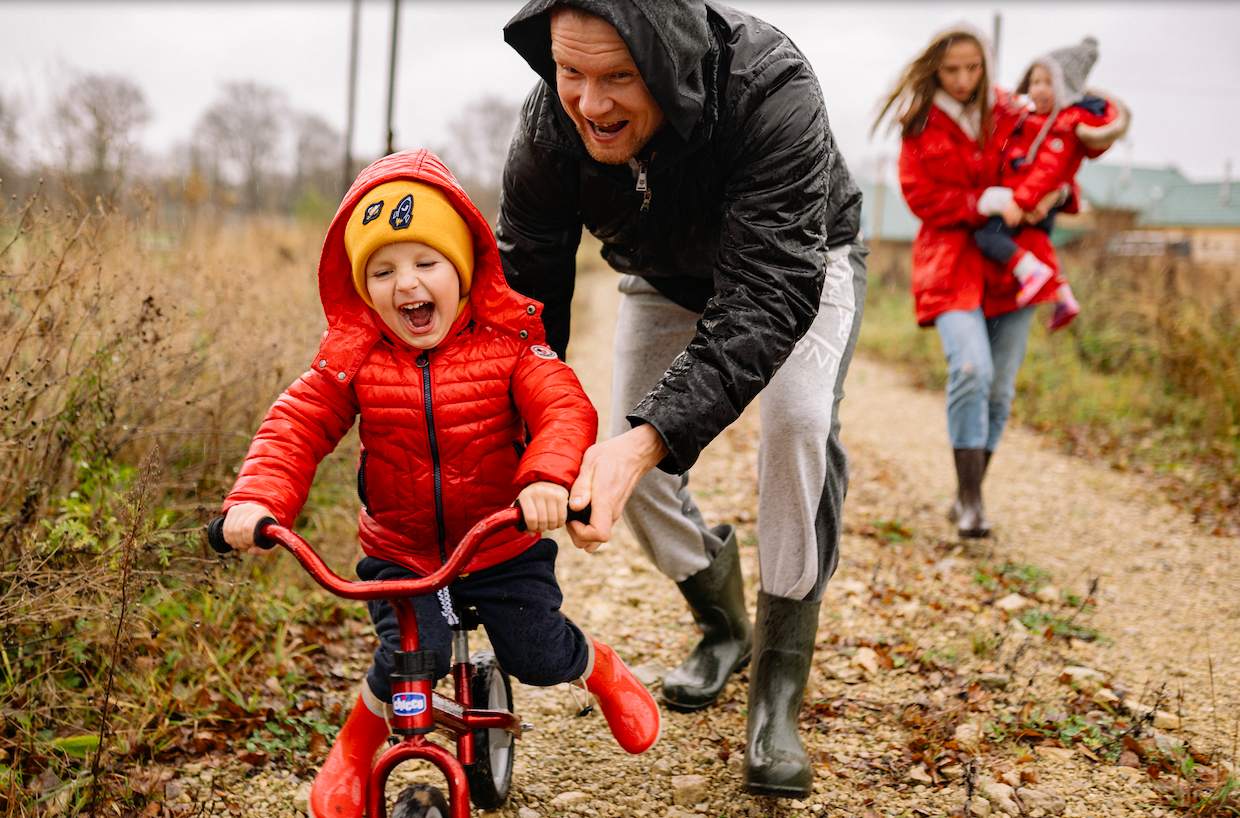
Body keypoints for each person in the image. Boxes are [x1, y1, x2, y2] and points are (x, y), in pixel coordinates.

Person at [220, 149, 661, 818]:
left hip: (498, 545)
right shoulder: (356, 358)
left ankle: (598, 667)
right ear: (362, 287)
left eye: (426, 263)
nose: (407, 285)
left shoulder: (510, 345)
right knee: (409, 660)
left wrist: (544, 478)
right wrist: (257, 499)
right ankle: (351, 751)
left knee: (538, 653)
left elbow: (563, 408)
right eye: (383, 270)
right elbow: (297, 425)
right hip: (402, 551)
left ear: (462, 268)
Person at [498, 0, 866, 798]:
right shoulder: (547, 128)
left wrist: (645, 439)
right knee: (630, 453)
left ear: (665, 61)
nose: (590, 105)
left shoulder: (772, 87)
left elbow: (769, 294)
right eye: (570, 73)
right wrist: (522, 441)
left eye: (618, 77)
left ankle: (777, 689)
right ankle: (723, 623)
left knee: (796, 423)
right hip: (663, 275)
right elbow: (525, 301)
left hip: (800, 260)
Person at [878, 26, 1123, 539]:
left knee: (1000, 388)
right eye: (952, 69)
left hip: (1016, 261)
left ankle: (971, 494)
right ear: (934, 69)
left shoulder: (1011, 110)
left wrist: (1060, 192)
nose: (964, 79)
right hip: (950, 263)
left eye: (973, 67)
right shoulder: (918, 123)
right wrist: (983, 202)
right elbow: (920, 197)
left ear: (985, 65)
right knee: (971, 368)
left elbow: (1061, 143)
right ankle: (970, 502)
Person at [972, 36, 1129, 331]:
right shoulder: (1032, 120)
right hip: (1029, 198)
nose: (1039, 90)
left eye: (1048, 83)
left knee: (988, 237)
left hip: (1027, 201)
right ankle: (1063, 296)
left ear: (1065, 88)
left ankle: (1029, 272)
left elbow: (1048, 170)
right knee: (1037, 244)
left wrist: (1021, 202)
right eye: (1035, 82)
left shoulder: (1061, 127)